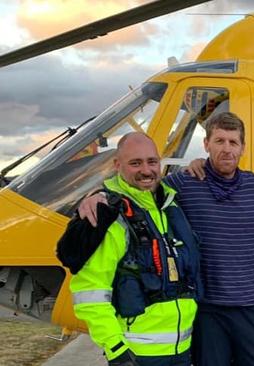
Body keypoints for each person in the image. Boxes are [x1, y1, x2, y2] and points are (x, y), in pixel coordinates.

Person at [78, 112, 254, 366]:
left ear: (243, 148)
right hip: (207, 309)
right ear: (206, 144)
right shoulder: (182, 184)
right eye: (219, 141)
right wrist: (97, 195)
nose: (226, 149)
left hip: (250, 305)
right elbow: (140, 189)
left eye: (233, 142)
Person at [68, 132, 200, 366]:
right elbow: (90, 292)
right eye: (135, 163)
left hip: (182, 350)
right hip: (138, 355)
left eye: (152, 161)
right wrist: (116, 349)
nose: (146, 170)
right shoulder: (109, 217)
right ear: (117, 165)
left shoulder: (170, 207)